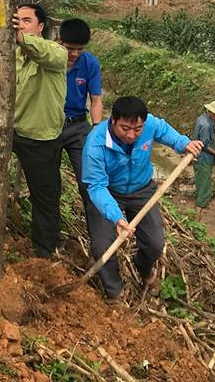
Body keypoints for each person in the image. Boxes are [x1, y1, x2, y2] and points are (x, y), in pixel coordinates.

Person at [0, 3, 67, 257]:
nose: (20, 24)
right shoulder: (13, 55)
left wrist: (21, 38)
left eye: (27, 20)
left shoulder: (56, 53)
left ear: (41, 27)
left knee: (45, 196)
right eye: (17, 20)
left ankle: (43, 249)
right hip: (10, 128)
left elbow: (46, 54)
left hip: (40, 137)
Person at [82, 96, 204, 302]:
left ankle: (144, 268)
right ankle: (114, 291)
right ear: (112, 120)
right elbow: (96, 186)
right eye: (125, 128)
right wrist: (116, 217)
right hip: (108, 191)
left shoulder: (150, 125)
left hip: (142, 189)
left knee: (155, 243)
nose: (131, 135)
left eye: (137, 129)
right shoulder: (95, 144)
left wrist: (184, 144)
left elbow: (164, 131)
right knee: (102, 245)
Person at [57, 18, 104, 216]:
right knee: (49, 184)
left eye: (80, 49)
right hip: (52, 125)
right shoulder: (49, 58)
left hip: (78, 127)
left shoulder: (90, 63)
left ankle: (99, 234)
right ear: (60, 41)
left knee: (89, 181)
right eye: (70, 49)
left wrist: (97, 128)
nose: (75, 54)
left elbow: (96, 100)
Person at [194, 100, 215, 221]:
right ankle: (197, 218)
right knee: (205, 187)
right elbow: (204, 145)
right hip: (203, 158)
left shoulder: (203, 119)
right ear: (212, 112)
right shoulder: (207, 125)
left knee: (200, 182)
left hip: (198, 157)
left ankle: (198, 208)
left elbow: (205, 136)